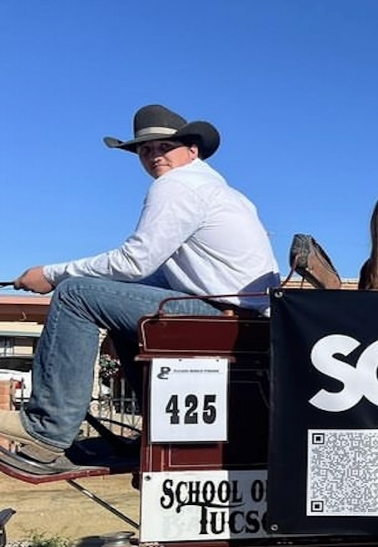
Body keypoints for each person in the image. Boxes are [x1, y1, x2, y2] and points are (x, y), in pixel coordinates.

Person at [0, 104, 280, 475]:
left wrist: (53, 274)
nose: (153, 156)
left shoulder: (178, 186)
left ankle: (46, 431)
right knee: (99, 296)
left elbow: (135, 262)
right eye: (144, 150)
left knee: (76, 295)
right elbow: (156, 277)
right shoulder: (223, 192)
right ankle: (158, 430)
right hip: (242, 317)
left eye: (163, 147)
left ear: (191, 149)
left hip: (220, 314)